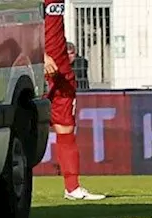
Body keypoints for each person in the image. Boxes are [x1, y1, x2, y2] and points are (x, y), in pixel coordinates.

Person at [43, 0, 104, 201]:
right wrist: (39, 54)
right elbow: (15, 26)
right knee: (23, 128)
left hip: (61, 71)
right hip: (37, 68)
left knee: (66, 128)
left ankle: (72, 187)